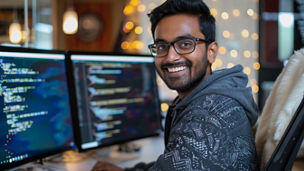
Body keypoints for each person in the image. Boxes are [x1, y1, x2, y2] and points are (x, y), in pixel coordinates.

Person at [92, 0, 259, 170]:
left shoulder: (208, 115)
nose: (171, 57)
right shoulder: (208, 98)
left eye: (185, 44)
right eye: (162, 46)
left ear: (211, 52)